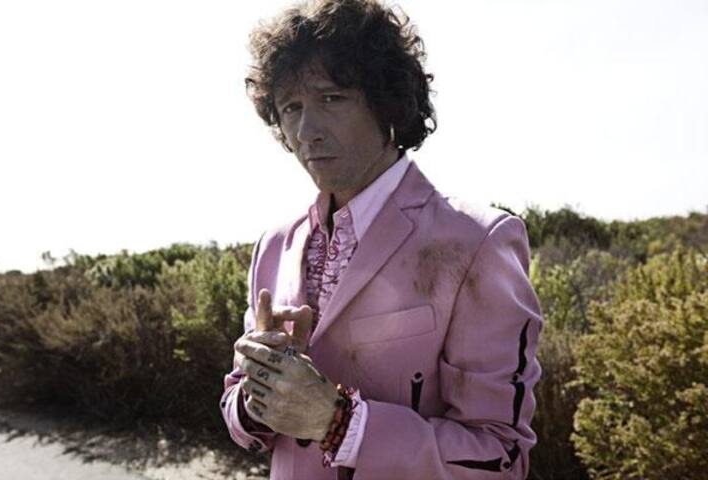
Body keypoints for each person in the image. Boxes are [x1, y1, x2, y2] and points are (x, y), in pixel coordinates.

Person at [219, 1, 543, 478]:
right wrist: (256, 394)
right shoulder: (274, 246)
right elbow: (241, 416)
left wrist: (337, 423)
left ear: (386, 100)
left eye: (331, 98)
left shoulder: (478, 243)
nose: (306, 131)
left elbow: (500, 457)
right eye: (291, 107)